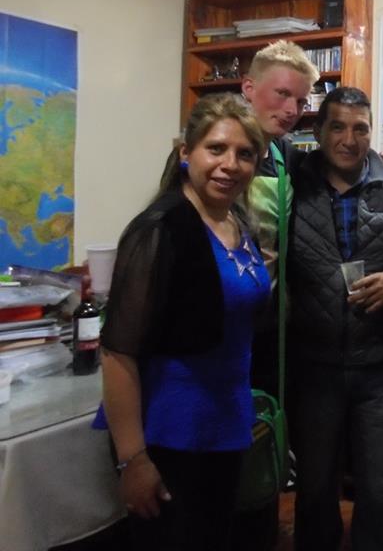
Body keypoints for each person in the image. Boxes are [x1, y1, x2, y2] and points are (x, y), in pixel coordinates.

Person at [235, 40, 383, 549]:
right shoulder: (274, 162)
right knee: (303, 485)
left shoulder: (288, 158)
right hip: (278, 351)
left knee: (377, 486)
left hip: (355, 358)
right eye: (281, 95)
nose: (290, 108)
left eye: (299, 100)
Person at [95, 93, 269, 551]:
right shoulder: (159, 228)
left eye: (244, 153)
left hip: (224, 426)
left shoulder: (238, 222)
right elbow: (117, 352)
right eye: (216, 148)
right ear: (186, 152)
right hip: (168, 435)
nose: (230, 164)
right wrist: (133, 460)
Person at [286, 87, 383, 551]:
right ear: (317, 131)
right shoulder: (290, 180)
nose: (349, 140)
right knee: (314, 487)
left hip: (379, 365)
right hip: (313, 366)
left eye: (360, 129)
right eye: (337, 127)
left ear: (372, 133)